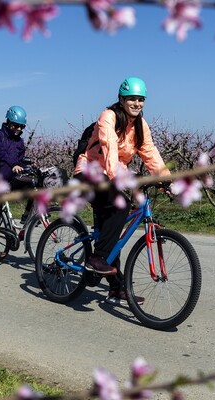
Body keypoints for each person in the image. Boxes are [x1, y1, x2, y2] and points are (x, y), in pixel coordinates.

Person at [73, 77, 170, 305]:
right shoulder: (109, 116)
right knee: (120, 206)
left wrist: (165, 179)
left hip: (114, 172)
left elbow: (150, 152)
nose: (137, 103)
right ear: (121, 99)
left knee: (114, 230)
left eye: (141, 99)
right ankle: (96, 259)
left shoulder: (140, 125)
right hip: (91, 171)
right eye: (132, 99)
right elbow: (109, 149)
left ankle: (116, 288)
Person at [0, 105, 35, 271]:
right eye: (15, 125)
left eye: (21, 127)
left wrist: (22, 164)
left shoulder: (19, 141)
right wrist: (13, 164)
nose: (18, 129)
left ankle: (26, 217)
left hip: (10, 180)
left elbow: (19, 159)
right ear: (8, 122)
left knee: (34, 183)